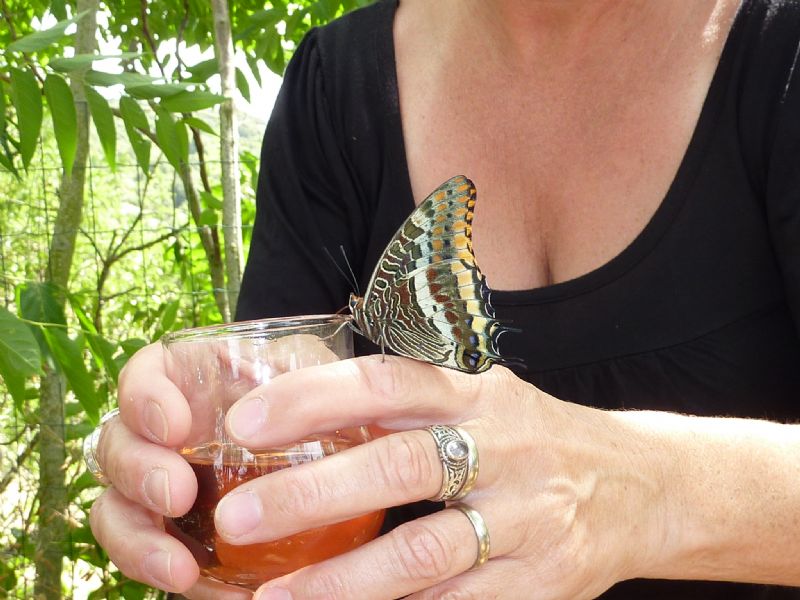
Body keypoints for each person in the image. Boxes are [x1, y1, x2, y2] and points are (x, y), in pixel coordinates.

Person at [86, 0, 800, 598]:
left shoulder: (781, 47)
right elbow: (266, 497)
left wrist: (634, 492)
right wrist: (182, 467)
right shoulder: (337, 85)